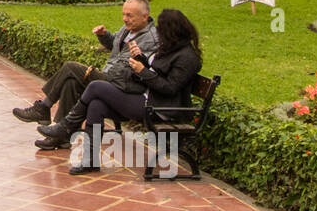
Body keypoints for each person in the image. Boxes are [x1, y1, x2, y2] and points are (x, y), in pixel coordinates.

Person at [42, 9, 203, 175]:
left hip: (161, 109)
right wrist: (141, 59)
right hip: (148, 99)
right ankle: (90, 160)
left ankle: (67, 126)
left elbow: (170, 88)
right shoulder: (171, 48)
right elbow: (158, 73)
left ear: (172, 31)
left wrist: (143, 71)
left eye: (162, 29)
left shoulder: (187, 57)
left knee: (96, 87)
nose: (159, 33)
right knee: (96, 105)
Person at [11, 0, 159, 142]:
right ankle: (60, 137)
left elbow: (135, 69)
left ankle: (44, 107)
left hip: (121, 84)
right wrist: (103, 35)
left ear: (145, 17)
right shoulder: (129, 28)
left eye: (129, 15)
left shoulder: (149, 39)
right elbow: (115, 44)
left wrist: (98, 74)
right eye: (124, 14)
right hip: (110, 76)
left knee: (70, 67)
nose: (125, 18)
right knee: (71, 82)